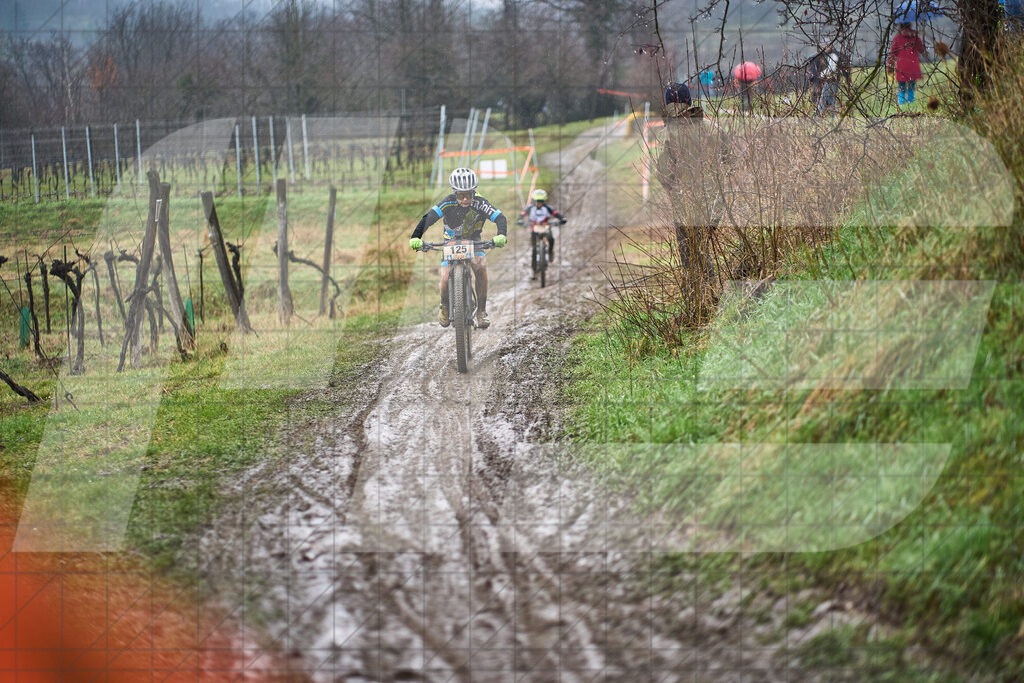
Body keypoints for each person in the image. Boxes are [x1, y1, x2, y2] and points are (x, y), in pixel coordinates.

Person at [409, 167, 507, 329]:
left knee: (481, 268)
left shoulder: (480, 203)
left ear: (474, 192)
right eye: (461, 195)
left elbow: (500, 218)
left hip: (474, 240)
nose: (465, 199)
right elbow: (428, 218)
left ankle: (481, 311)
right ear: (455, 193)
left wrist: (501, 234)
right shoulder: (447, 202)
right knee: (445, 277)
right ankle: (445, 307)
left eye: (468, 194)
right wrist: (415, 237)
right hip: (451, 242)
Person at [517, 188, 566, 278]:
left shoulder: (548, 208)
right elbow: (522, 215)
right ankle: (534, 269)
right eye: (537, 201)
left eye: (541, 201)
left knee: (551, 238)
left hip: (545, 227)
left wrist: (562, 219)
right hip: (534, 229)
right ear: (534, 200)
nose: (539, 202)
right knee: (534, 249)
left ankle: (550, 252)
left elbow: (556, 214)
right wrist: (520, 220)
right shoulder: (530, 208)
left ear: (544, 201)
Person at [888, 23, 926, 107]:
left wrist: (890, 65)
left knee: (901, 86)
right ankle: (911, 102)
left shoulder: (897, 38)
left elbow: (893, 53)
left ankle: (901, 103)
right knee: (911, 85)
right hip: (913, 65)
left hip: (902, 66)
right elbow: (922, 50)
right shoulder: (914, 37)